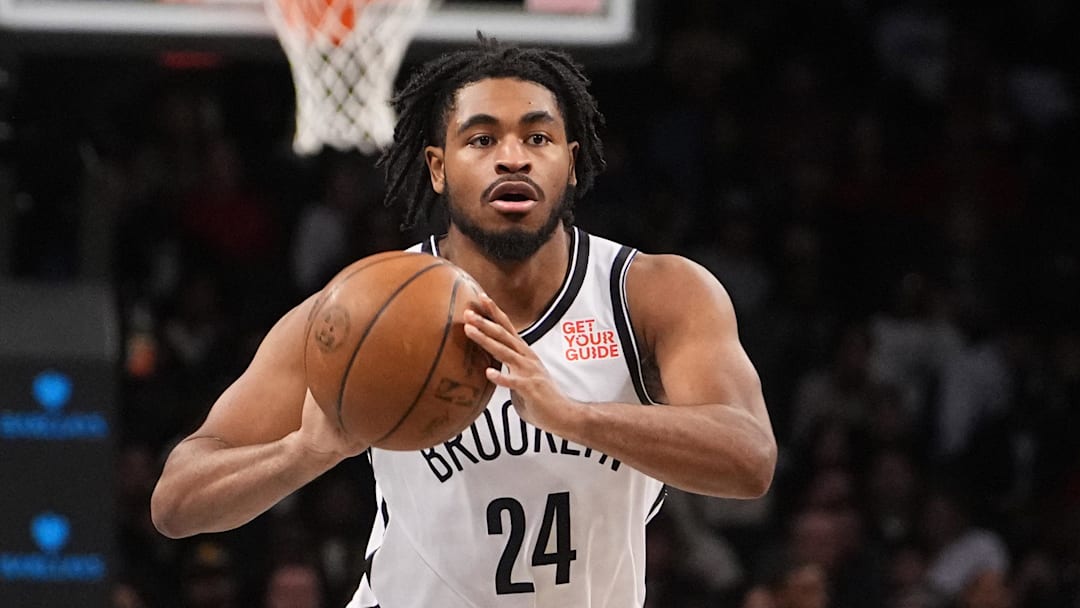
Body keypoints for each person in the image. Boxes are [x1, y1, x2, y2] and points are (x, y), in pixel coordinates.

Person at [151, 38, 777, 607]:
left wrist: (576, 417)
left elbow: (750, 459)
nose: (513, 158)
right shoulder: (361, 310)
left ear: (572, 163)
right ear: (437, 166)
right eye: (481, 138)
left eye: (538, 138)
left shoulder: (651, 295)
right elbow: (177, 503)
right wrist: (301, 454)